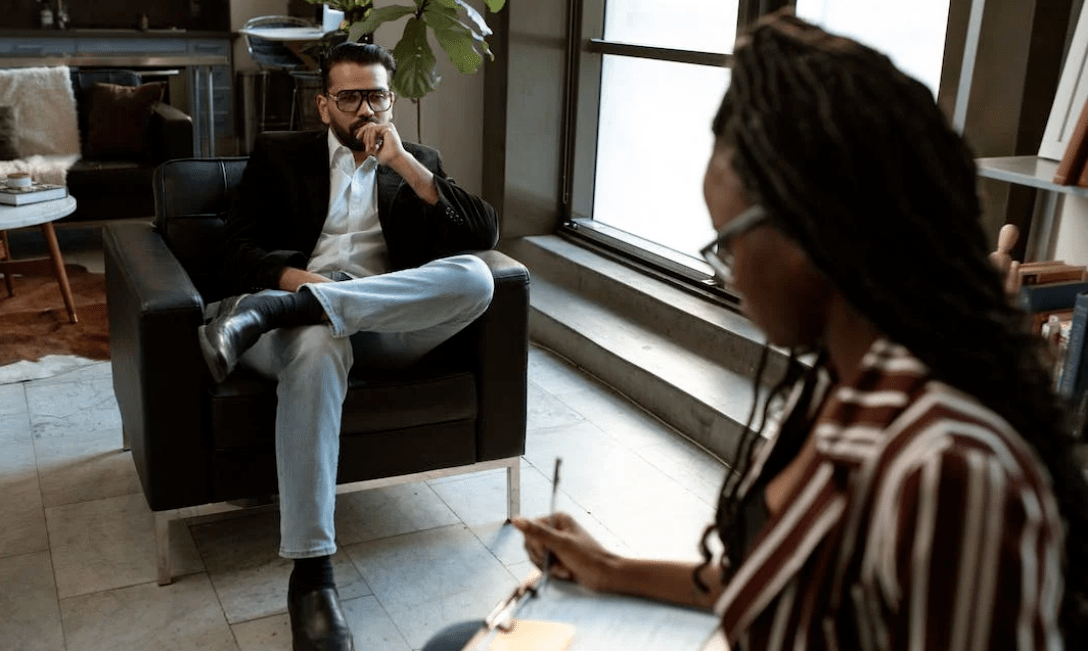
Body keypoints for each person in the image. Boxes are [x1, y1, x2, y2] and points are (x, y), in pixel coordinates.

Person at [426, 10, 1088, 651]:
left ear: (809, 226)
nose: (727, 272)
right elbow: (782, 585)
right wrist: (611, 568)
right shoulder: (839, 382)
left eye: (727, 241)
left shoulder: (950, 476)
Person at [199, 41, 498, 651]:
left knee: (477, 277)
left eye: (377, 96)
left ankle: (304, 307)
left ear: (392, 100)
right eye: (350, 97)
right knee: (317, 344)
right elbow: (232, 253)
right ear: (323, 105)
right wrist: (302, 285)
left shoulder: (416, 164)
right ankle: (312, 578)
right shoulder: (281, 156)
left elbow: (483, 231)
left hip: (380, 329)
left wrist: (405, 164)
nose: (365, 110)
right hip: (286, 331)